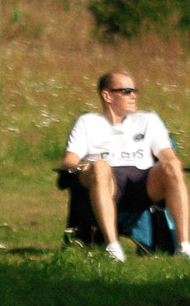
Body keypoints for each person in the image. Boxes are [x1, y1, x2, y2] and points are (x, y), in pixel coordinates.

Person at [60, 70, 190, 261]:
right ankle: (113, 247)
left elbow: (168, 155)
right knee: (101, 166)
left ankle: (184, 247)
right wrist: (84, 167)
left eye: (135, 91)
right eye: (127, 91)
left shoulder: (149, 119)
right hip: (105, 182)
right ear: (107, 95)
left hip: (142, 182)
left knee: (172, 166)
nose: (134, 96)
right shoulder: (88, 122)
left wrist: (172, 164)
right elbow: (69, 160)